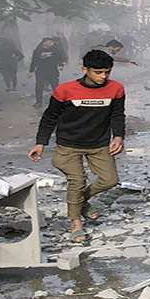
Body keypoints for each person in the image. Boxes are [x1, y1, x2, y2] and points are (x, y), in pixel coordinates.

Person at [27, 49, 125, 242]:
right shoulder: (64, 90)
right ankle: (75, 222)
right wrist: (40, 143)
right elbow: (50, 117)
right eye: (98, 72)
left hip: (99, 143)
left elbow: (117, 114)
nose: (103, 77)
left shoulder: (116, 89)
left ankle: (81, 201)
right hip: (68, 145)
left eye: (107, 72)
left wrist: (119, 136)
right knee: (77, 180)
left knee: (110, 180)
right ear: (85, 69)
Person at [29, 37, 67, 108]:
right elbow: (34, 61)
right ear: (44, 43)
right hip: (41, 71)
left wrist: (61, 65)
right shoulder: (38, 50)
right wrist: (31, 71)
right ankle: (39, 102)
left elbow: (60, 57)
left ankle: (59, 101)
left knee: (55, 86)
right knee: (39, 86)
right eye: (50, 42)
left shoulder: (55, 50)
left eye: (52, 42)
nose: (52, 44)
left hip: (52, 70)